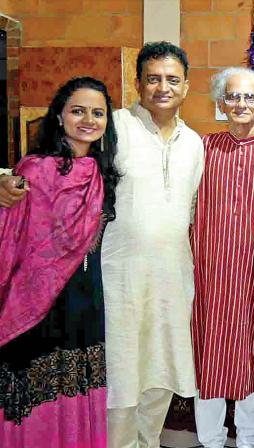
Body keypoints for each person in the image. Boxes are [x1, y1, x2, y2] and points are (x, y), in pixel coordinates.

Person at [0, 77, 121, 447]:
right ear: (59, 116)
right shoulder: (35, 169)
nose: (88, 120)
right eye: (78, 111)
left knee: (76, 387)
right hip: (37, 303)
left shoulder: (102, 174)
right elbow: (11, 233)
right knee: (37, 391)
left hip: (85, 299)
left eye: (97, 113)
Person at [102, 42, 204, 447]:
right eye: (154, 78)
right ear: (138, 83)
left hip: (172, 277)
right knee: (123, 370)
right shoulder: (114, 127)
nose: (163, 87)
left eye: (172, 79)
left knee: (162, 369)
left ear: (186, 86)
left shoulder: (193, 143)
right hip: (120, 276)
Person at [191, 67, 254, 448]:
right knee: (209, 357)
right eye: (233, 96)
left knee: (253, 356)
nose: (241, 104)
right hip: (209, 275)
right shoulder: (202, 147)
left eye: (250, 97)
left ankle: (247, 440)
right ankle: (210, 441)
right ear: (221, 102)